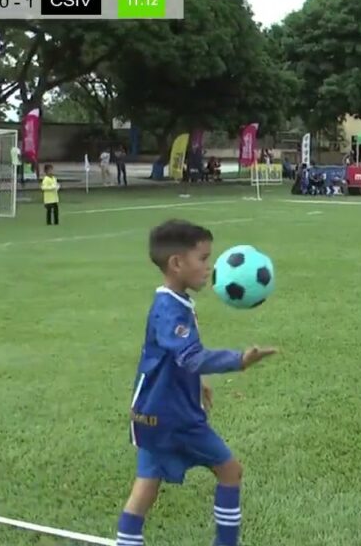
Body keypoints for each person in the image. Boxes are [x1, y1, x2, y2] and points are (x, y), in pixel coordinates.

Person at [116, 220, 279, 546]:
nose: (209, 267)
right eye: (203, 258)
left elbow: (168, 357)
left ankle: (127, 540)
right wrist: (239, 360)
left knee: (147, 484)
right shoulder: (170, 310)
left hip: (150, 409)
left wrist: (196, 381)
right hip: (174, 416)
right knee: (230, 471)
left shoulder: (171, 301)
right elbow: (190, 356)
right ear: (177, 263)